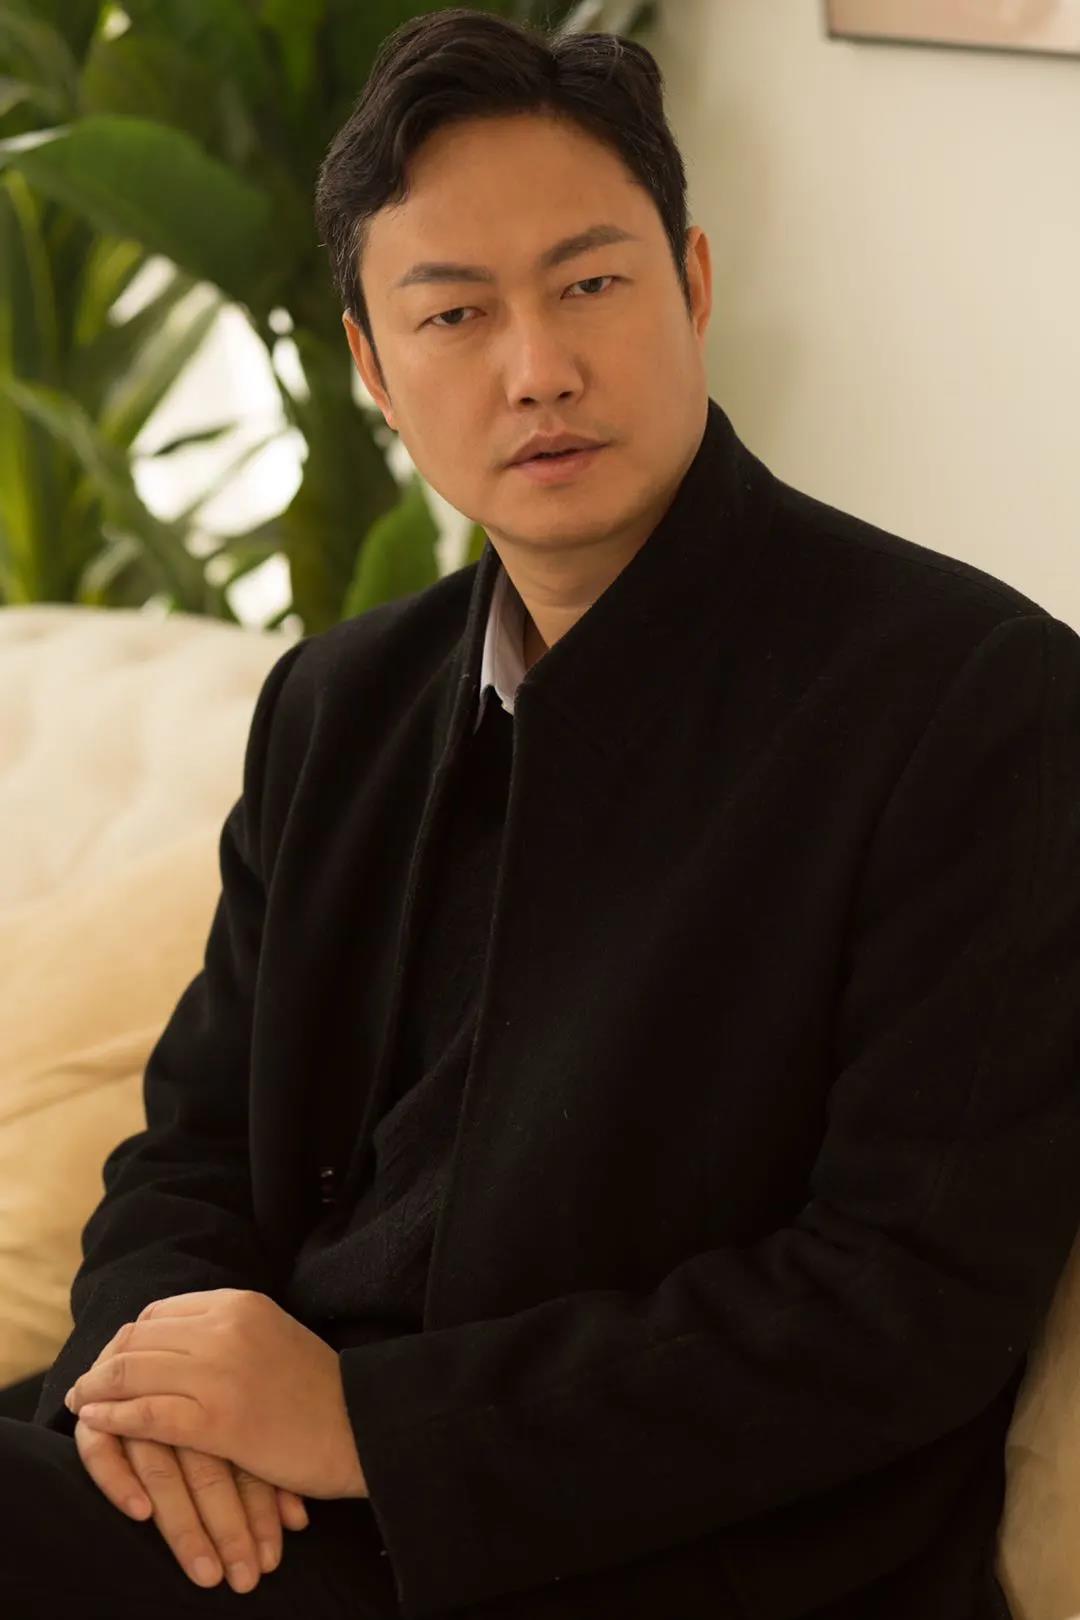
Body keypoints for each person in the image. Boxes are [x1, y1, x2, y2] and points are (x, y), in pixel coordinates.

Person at [2, 7, 1076, 1617]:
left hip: (632, 1554)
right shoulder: (340, 703)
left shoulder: (975, 703)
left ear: (692, 284)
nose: (539, 369)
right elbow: (191, 1150)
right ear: (372, 367)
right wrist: (157, 1402)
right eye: (454, 314)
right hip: (270, 1518)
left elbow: (900, 1299)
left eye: (590, 286)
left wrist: (365, 1425)